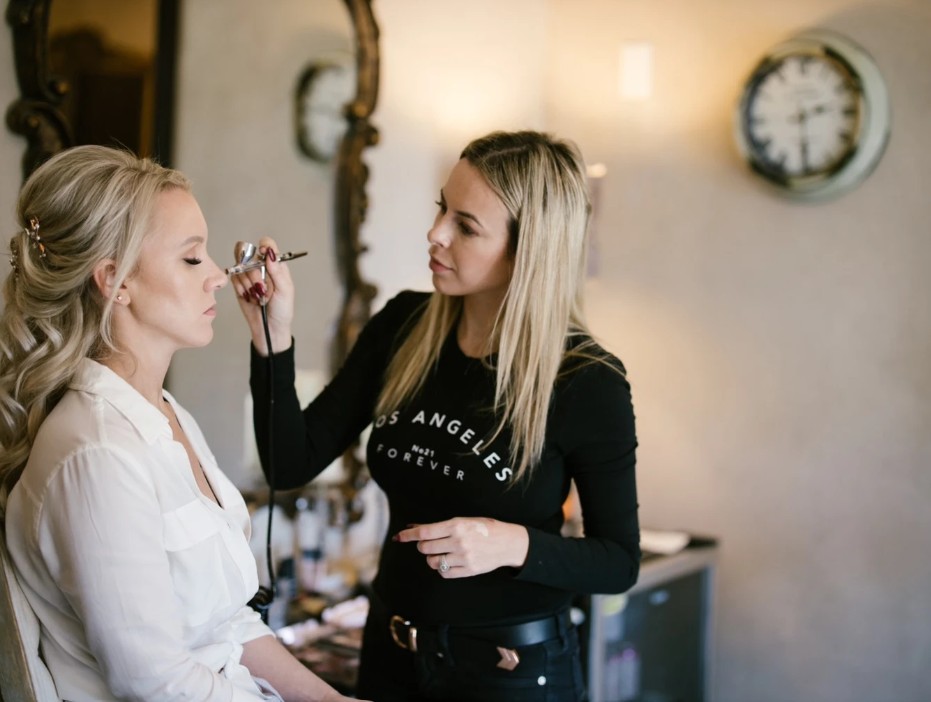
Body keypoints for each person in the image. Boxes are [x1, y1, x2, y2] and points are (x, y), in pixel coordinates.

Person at [233, 130, 639, 702]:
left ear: (528, 250)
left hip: (509, 675)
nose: (436, 233)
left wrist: (511, 545)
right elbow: (288, 463)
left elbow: (618, 562)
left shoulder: (586, 381)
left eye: (465, 226)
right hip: (389, 654)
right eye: (441, 208)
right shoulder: (403, 326)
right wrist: (272, 337)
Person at [0, 145, 363, 702]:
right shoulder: (99, 454)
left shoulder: (168, 415)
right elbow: (155, 680)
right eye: (192, 259)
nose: (217, 276)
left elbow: (229, 623)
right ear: (115, 280)